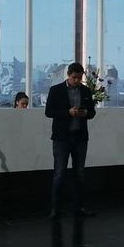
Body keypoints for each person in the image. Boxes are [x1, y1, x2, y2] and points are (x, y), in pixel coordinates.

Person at [45, 62, 96, 219]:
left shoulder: (86, 91)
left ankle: (79, 207)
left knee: (79, 173)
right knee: (59, 173)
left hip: (80, 137)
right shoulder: (56, 90)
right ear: (68, 75)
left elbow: (92, 112)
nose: (77, 80)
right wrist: (67, 112)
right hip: (62, 138)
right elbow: (48, 112)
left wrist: (85, 113)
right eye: (74, 77)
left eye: (79, 78)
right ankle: (55, 209)